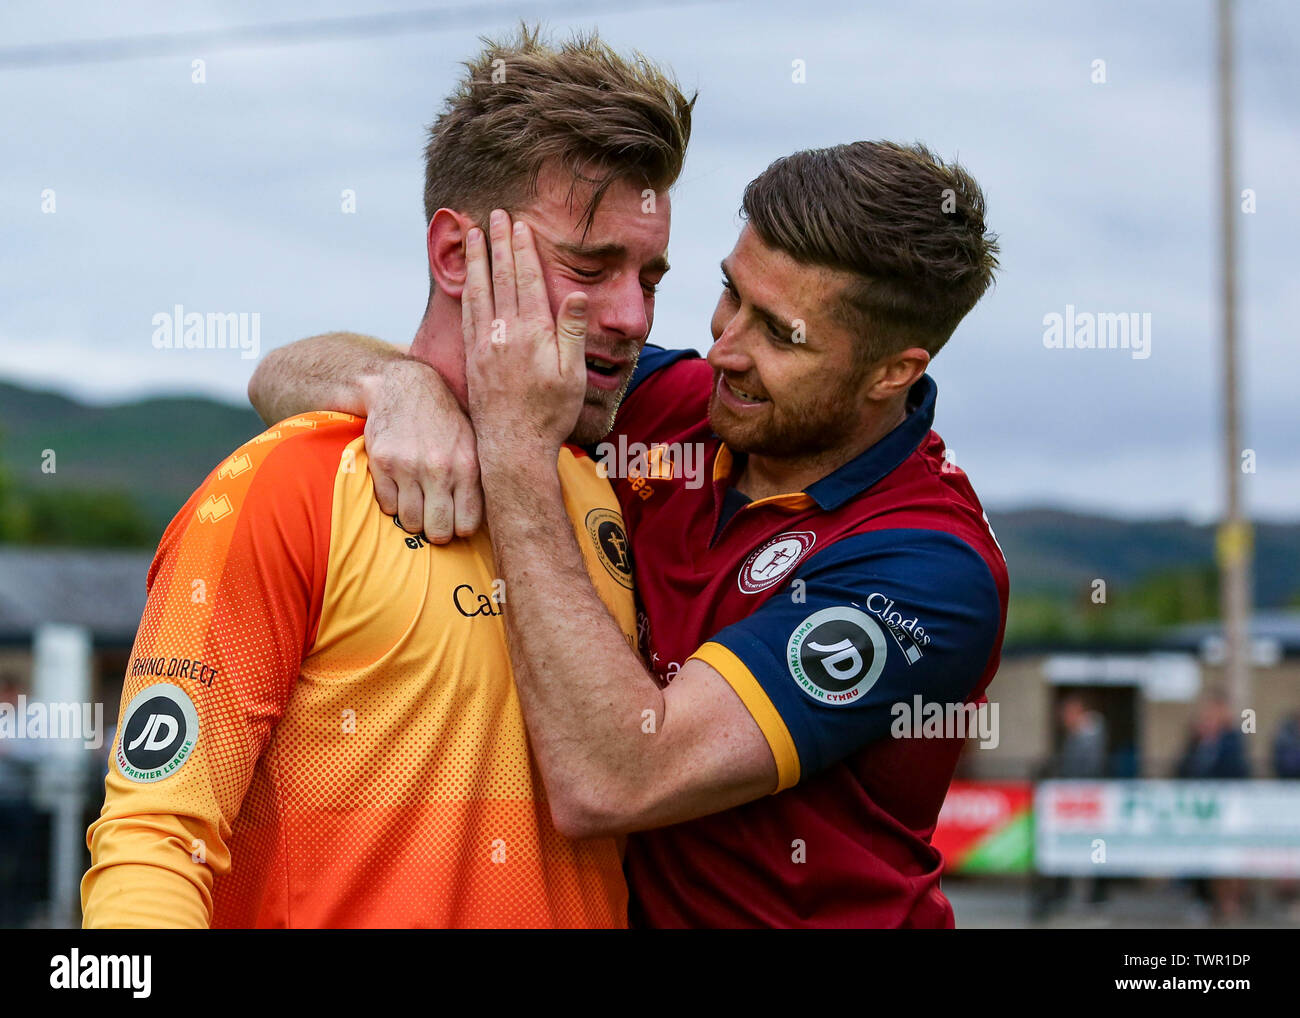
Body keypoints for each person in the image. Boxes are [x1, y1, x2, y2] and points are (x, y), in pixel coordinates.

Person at [251, 140, 1010, 927]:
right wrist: (400, 386)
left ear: (894, 372)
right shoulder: (680, 405)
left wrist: (514, 453)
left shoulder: (928, 565)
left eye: (781, 336)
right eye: (730, 293)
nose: (724, 349)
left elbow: (615, 780)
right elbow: (280, 372)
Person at [81, 25, 694, 928]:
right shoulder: (288, 483)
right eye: (588, 266)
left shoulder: (606, 484)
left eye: (650, 276)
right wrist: (398, 380)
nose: (632, 314)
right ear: (454, 255)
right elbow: (152, 843)